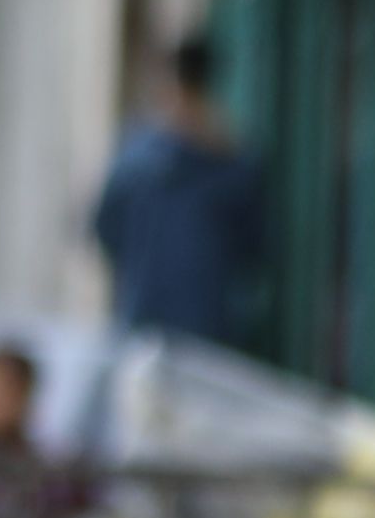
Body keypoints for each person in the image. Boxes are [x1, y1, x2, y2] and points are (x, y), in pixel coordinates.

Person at [92, 30, 272, 349]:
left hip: (159, 325)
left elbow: (105, 228)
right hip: (195, 330)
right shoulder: (231, 163)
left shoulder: (138, 158)